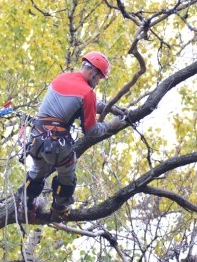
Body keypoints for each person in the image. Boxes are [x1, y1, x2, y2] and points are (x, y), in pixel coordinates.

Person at [19, 51, 126, 222]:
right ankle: (60, 209)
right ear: (93, 72)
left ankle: (26, 202)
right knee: (67, 176)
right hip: (56, 144)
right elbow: (90, 131)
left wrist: (108, 108)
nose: (98, 82)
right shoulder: (87, 93)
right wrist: (110, 125)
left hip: (36, 137)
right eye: (99, 78)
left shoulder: (61, 78)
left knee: (38, 171)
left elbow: (79, 102)